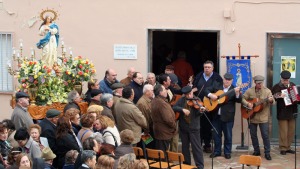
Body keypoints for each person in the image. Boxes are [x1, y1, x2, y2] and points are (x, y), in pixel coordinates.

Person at [205, 73, 242, 159]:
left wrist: (237, 93)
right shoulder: (217, 85)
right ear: (223, 79)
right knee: (216, 135)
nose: (227, 81)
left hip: (228, 116)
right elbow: (206, 90)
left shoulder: (234, 89)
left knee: (228, 135)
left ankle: (227, 152)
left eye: (229, 80)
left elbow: (239, 100)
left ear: (232, 81)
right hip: (216, 115)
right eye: (225, 79)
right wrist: (211, 95)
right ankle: (217, 151)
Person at [192, 60, 223, 153]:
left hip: (211, 106)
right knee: (199, 126)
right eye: (205, 67)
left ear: (212, 68)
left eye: (209, 67)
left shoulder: (217, 77)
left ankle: (207, 144)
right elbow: (194, 87)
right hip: (199, 104)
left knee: (208, 126)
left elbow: (219, 90)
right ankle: (198, 145)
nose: (207, 69)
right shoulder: (199, 76)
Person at [242, 75, 274, 160]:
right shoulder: (250, 91)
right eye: (258, 83)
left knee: (265, 135)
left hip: (263, 118)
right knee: (253, 135)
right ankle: (256, 151)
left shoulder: (267, 91)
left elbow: (273, 102)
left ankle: (267, 153)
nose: (260, 85)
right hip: (252, 117)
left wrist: (271, 100)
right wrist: (247, 104)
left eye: (261, 83)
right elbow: (242, 98)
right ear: (255, 82)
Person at [173, 86, 205, 168]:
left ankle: (200, 165)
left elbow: (198, 114)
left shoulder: (197, 100)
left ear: (192, 92)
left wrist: (201, 111)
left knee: (196, 148)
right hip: (184, 128)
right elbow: (174, 107)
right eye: (186, 95)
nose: (188, 96)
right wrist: (182, 109)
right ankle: (187, 164)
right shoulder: (181, 100)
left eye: (189, 94)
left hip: (194, 128)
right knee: (185, 148)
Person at [272, 70, 297, 155]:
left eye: (287, 80)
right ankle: (283, 148)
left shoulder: (293, 85)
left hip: (292, 112)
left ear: (289, 79)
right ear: (281, 79)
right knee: (283, 131)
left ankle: (288, 147)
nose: (286, 82)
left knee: (291, 131)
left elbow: (296, 98)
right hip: (282, 112)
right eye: (284, 80)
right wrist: (278, 96)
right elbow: (272, 98)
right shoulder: (276, 87)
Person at [151, 84, 176, 152]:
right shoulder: (161, 103)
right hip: (164, 133)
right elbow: (168, 119)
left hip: (160, 132)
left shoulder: (155, 100)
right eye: (164, 89)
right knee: (163, 155)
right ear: (160, 92)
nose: (166, 91)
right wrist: (174, 126)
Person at [136, 84, 155, 148]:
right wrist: (147, 131)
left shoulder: (149, 100)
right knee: (148, 146)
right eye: (152, 91)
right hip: (146, 131)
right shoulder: (142, 103)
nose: (153, 92)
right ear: (147, 92)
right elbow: (143, 119)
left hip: (149, 129)